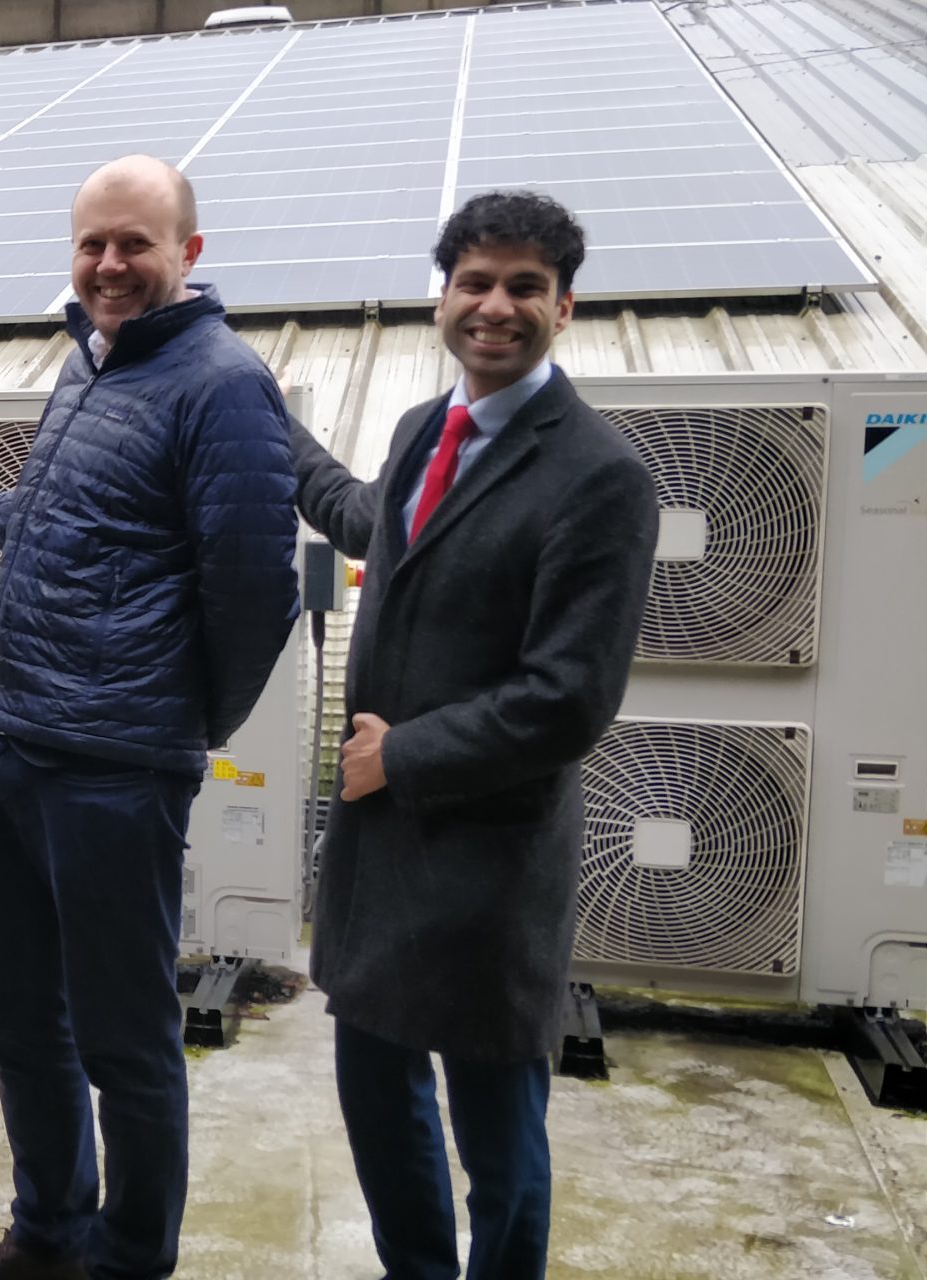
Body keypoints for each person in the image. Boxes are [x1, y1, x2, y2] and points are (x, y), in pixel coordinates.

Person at [0, 155, 299, 1280]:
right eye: (91, 244)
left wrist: (178, 729)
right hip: (3, 741)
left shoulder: (223, 384)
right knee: (21, 1023)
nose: (108, 264)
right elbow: (77, 507)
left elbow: (254, 587)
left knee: (126, 1042)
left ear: (190, 252)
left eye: (134, 243)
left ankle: (130, 1257)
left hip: (112, 766)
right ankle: (46, 1236)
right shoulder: (92, 363)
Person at [288, 191, 657, 1280]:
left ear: (564, 308)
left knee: (497, 1135)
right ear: (442, 296)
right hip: (378, 849)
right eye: (475, 282)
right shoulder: (419, 428)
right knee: (377, 1096)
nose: (495, 306)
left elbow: (568, 698)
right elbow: (375, 524)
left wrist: (398, 753)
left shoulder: (599, 475)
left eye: (523, 287)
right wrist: (268, 427)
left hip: (488, 857)